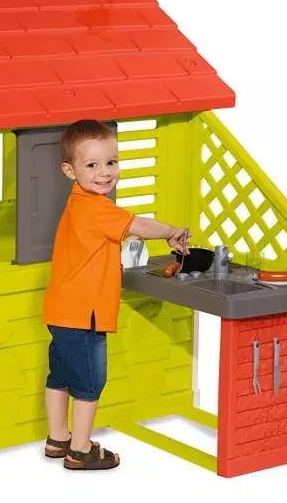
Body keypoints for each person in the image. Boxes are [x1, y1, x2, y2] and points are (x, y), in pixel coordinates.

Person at [41, 119, 189, 470]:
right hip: (84, 316)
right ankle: (80, 450)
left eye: (111, 162)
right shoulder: (96, 207)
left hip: (60, 311)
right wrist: (171, 231)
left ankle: (58, 437)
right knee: (90, 382)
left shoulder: (79, 203)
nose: (105, 172)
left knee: (60, 376)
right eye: (92, 165)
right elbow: (137, 225)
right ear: (70, 170)